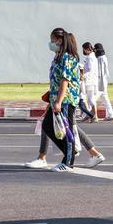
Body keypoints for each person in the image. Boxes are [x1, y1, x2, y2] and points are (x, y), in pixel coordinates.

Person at [41, 27, 81, 172]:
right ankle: (69, 150)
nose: (50, 44)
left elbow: (65, 81)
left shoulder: (68, 57)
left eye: (52, 41)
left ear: (59, 40)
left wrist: (58, 101)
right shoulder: (58, 56)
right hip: (55, 99)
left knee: (67, 129)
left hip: (66, 100)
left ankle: (68, 161)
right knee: (47, 125)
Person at [25, 120, 105, 169]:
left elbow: (64, 91)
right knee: (71, 126)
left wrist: (58, 101)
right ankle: (95, 154)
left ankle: (42, 158)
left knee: (48, 124)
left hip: (65, 99)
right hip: (65, 99)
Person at [94, 42, 113, 120]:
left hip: (101, 81)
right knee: (105, 98)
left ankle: (88, 114)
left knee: (92, 99)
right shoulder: (104, 57)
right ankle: (111, 114)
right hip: (104, 81)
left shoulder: (100, 59)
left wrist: (98, 82)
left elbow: (100, 72)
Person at [81, 42, 99, 122]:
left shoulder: (90, 58)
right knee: (88, 99)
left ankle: (95, 116)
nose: (83, 51)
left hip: (90, 81)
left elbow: (90, 70)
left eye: (84, 49)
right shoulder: (92, 56)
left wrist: (83, 76)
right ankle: (89, 115)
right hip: (90, 80)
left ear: (87, 49)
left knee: (91, 99)